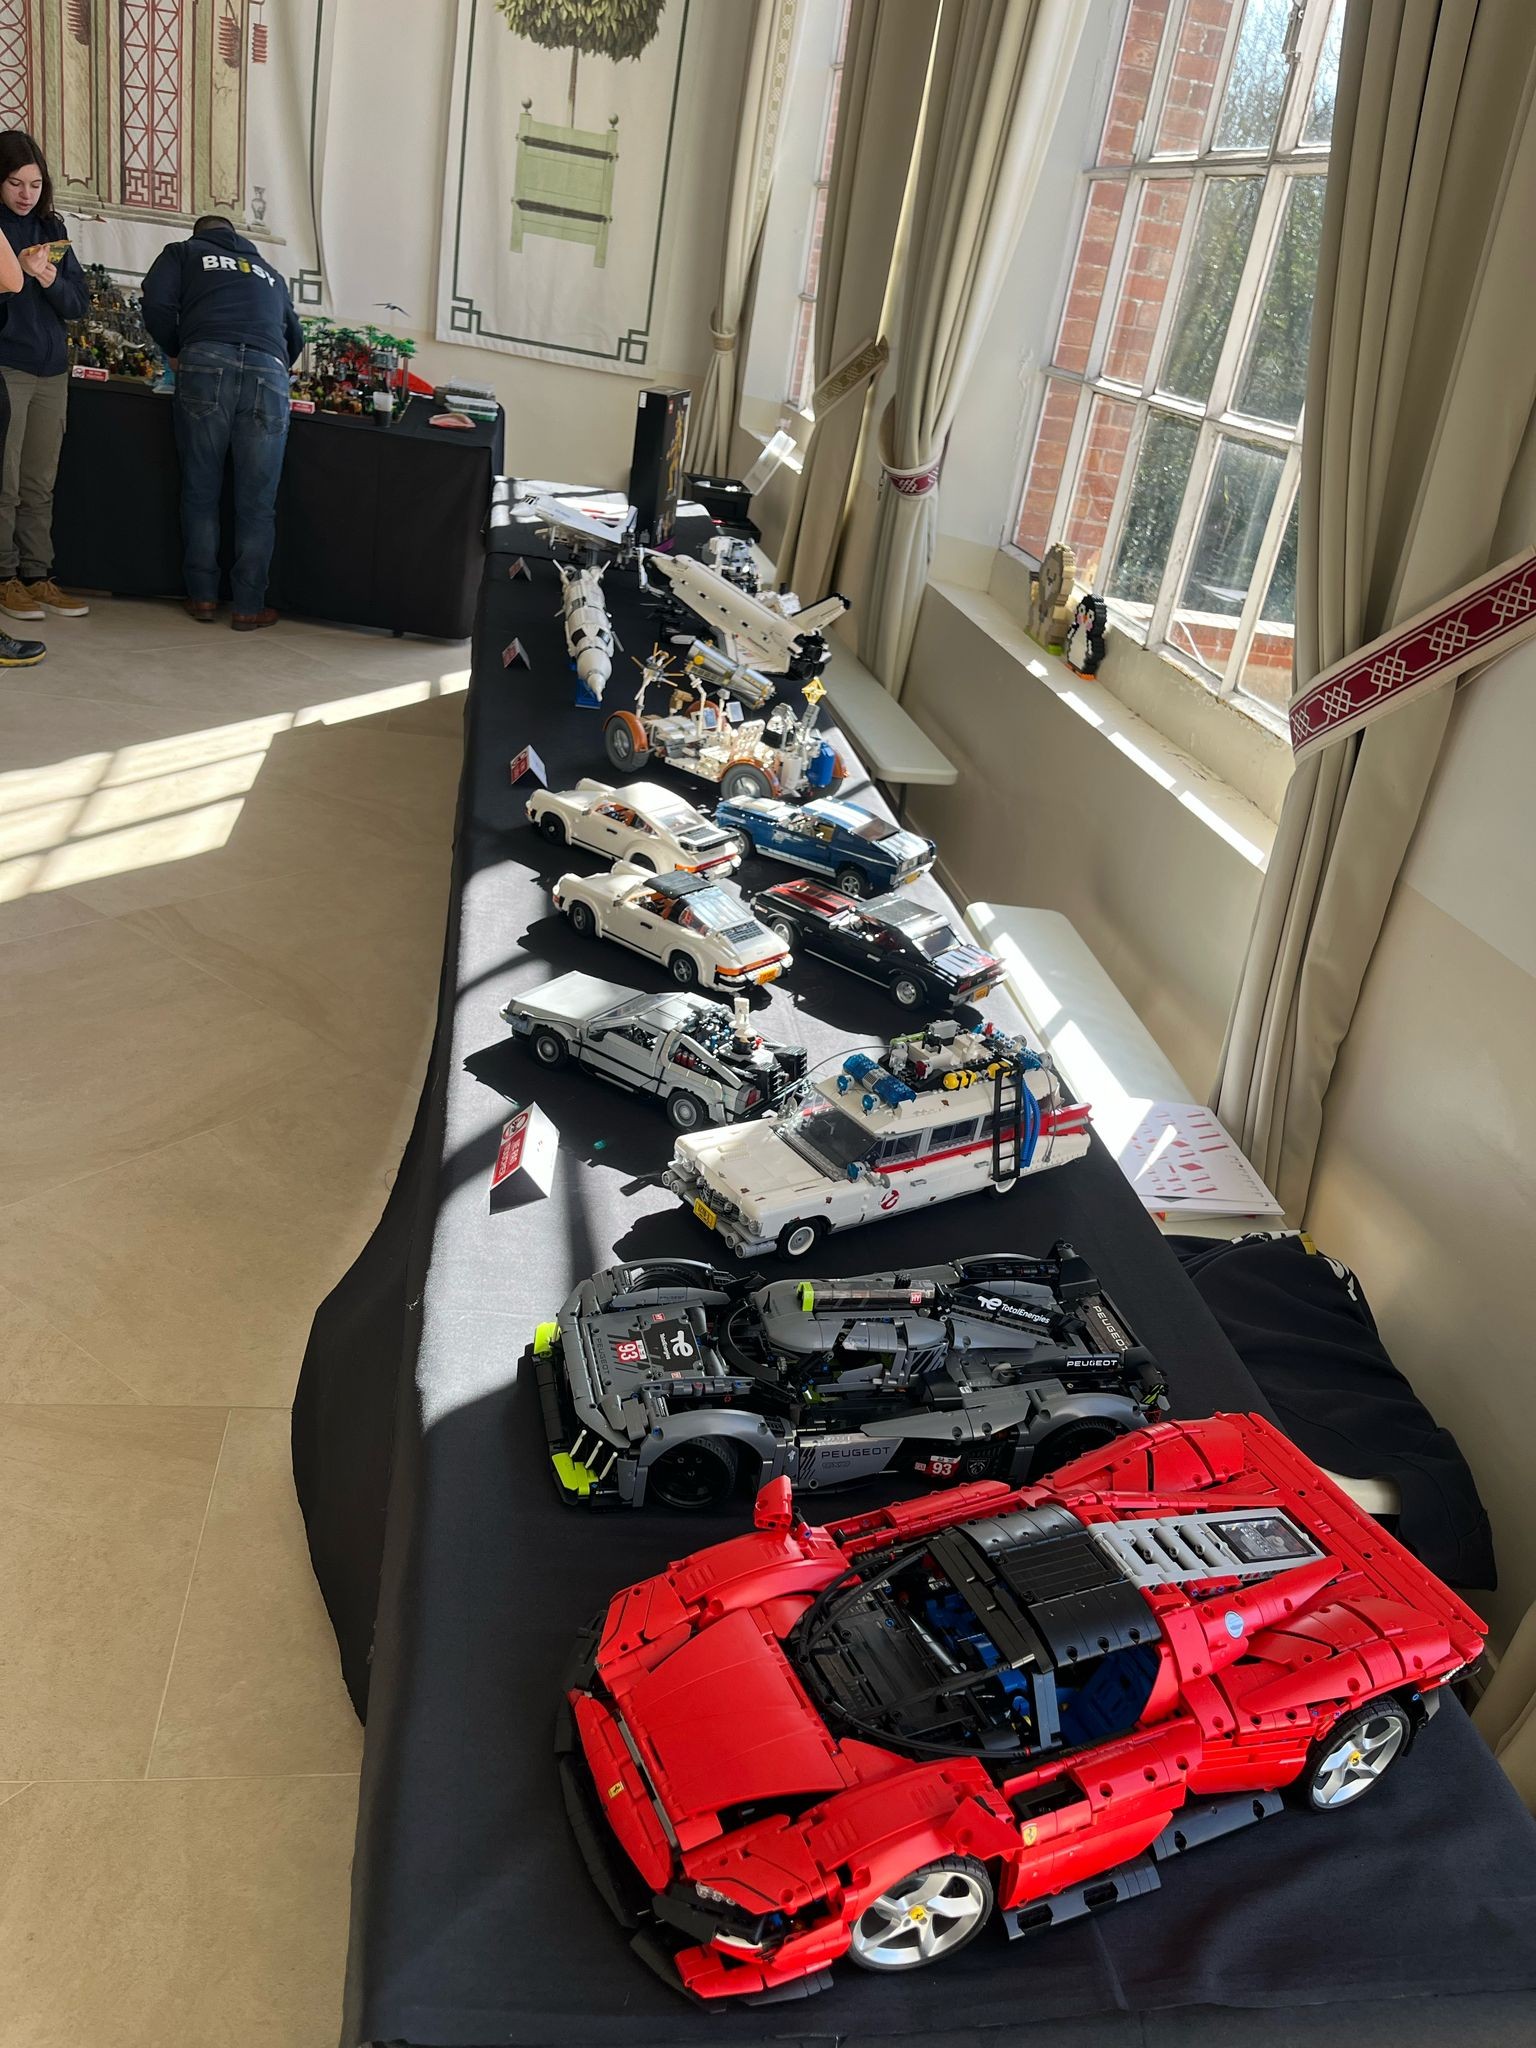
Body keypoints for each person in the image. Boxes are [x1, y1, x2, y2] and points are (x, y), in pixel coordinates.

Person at [141, 214, 303, 630]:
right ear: (236, 236)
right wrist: (272, 364)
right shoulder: (269, 272)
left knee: (201, 489)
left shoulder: (183, 253)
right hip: (269, 369)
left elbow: (156, 303)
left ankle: (203, 597)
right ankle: (249, 606)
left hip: (205, 359)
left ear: (199, 234)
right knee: (258, 503)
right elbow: (295, 336)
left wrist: (177, 348)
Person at [0, 130, 89, 628]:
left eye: (34, 184)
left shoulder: (50, 227)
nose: (26, 194)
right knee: (5, 480)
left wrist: (47, 276)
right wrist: (15, 274)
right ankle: (4, 576)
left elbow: (77, 303)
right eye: (15, 182)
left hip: (51, 370)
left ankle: (37, 574)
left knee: (39, 481)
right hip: (7, 366)